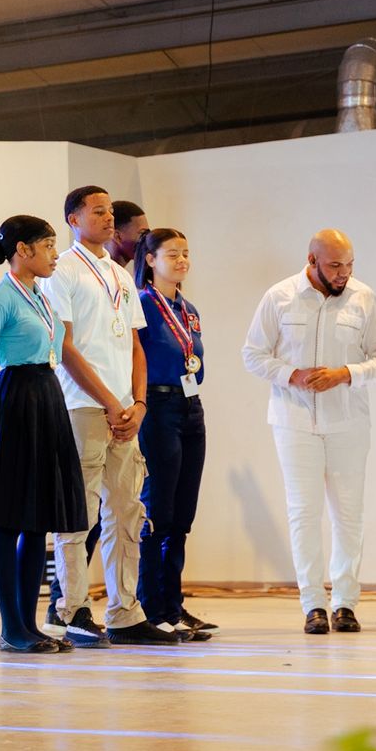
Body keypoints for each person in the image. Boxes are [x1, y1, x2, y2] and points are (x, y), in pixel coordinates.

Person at [242, 229, 376, 634]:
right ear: (311, 261)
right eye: (334, 265)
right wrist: (291, 374)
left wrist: (347, 374)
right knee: (303, 513)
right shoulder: (278, 296)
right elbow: (252, 354)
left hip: (348, 422)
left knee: (349, 515)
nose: (343, 273)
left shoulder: (364, 297)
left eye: (349, 264)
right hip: (293, 423)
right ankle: (313, 603)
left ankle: (345, 603)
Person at [44, 185, 175, 646]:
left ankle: (124, 611)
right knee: (78, 514)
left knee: (126, 513)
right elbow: (64, 346)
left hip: (125, 412)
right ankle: (72, 608)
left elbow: (137, 345)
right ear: (73, 220)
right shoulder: (61, 271)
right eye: (96, 211)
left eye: (110, 211)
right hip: (84, 406)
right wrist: (110, 400)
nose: (107, 217)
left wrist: (138, 403)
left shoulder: (120, 275)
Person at [0, 215, 88, 652]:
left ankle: (28, 625)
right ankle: (11, 627)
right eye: (48, 246)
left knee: (37, 520)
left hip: (47, 397)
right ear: (22, 250)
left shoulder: (40, 293)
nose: (55, 254)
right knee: (10, 520)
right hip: (17, 400)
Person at [132, 228, 213, 640]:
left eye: (186, 253)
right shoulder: (141, 305)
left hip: (190, 406)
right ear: (149, 259)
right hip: (158, 407)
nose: (182, 261)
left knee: (183, 515)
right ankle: (151, 606)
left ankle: (174, 604)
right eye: (172, 254)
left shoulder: (188, 308)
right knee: (158, 512)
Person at [108, 201, 148, 269]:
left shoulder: (124, 276)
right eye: (142, 233)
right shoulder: (95, 275)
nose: (147, 240)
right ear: (117, 237)